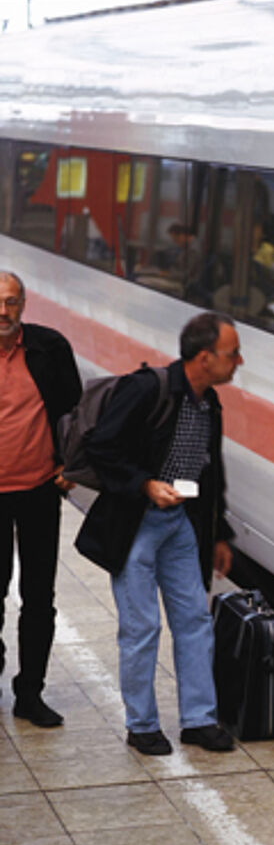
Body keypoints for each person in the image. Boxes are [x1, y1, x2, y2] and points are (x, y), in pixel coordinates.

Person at [75, 312, 242, 756]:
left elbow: (212, 469)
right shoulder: (148, 389)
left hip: (181, 524)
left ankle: (199, 719)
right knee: (141, 626)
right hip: (137, 525)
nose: (239, 362)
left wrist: (219, 531)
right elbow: (101, 445)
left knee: (194, 620)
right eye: (232, 353)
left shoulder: (210, 402)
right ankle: (142, 724)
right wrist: (145, 484)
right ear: (205, 358)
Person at [0, 270, 82, 727]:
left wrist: (70, 463)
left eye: (11, 302)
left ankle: (30, 692)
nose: (3, 311)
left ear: (24, 305)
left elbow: (76, 411)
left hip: (37, 492)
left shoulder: (49, 348)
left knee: (38, 598)